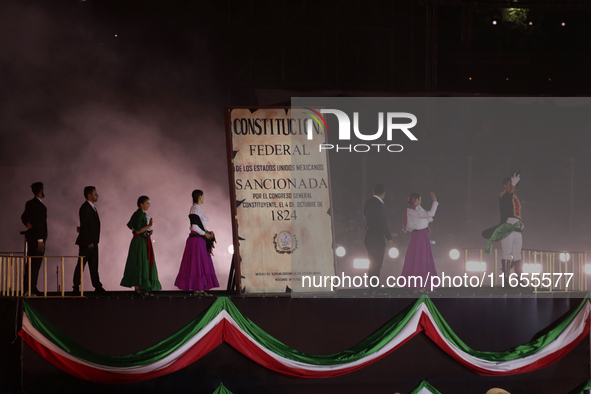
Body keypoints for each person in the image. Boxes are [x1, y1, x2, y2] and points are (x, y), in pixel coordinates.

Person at [174, 190, 219, 295]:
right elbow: (194, 227)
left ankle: (200, 288)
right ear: (199, 197)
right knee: (197, 264)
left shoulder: (197, 209)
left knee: (199, 264)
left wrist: (207, 232)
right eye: (203, 196)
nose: (204, 198)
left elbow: (199, 226)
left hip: (199, 240)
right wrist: (205, 234)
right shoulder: (194, 209)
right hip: (196, 241)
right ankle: (197, 289)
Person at [120, 196, 161, 295]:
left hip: (142, 241)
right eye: (147, 203)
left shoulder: (142, 214)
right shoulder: (138, 214)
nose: (148, 205)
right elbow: (138, 231)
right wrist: (148, 226)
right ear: (141, 204)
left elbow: (139, 229)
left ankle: (141, 286)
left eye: (149, 203)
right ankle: (138, 287)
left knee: (142, 262)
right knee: (138, 262)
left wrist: (148, 231)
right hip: (139, 242)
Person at [400, 192, 439, 288]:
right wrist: (434, 202)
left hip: (414, 236)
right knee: (423, 260)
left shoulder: (409, 211)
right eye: (420, 200)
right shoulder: (417, 210)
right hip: (421, 236)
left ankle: (414, 285)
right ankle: (422, 285)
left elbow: (408, 227)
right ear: (416, 200)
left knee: (414, 259)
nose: (420, 201)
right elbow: (431, 214)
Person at [73, 186, 106, 295]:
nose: (97, 195)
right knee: (81, 265)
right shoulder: (85, 208)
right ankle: (76, 287)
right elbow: (85, 226)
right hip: (87, 243)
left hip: (93, 242)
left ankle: (97, 286)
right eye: (95, 194)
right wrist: (89, 242)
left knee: (93, 266)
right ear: (89, 195)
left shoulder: (91, 207)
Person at [363, 183, 393, 287]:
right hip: (377, 239)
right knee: (377, 264)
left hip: (369, 236)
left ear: (373, 192)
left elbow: (365, 214)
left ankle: (372, 286)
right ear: (384, 193)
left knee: (371, 263)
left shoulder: (368, 202)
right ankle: (375, 287)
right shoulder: (380, 205)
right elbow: (383, 222)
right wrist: (389, 237)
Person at [21, 182, 47, 296]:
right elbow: (40, 224)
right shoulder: (40, 206)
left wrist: (27, 223)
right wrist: (40, 240)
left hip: (30, 238)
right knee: (35, 264)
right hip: (37, 240)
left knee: (29, 264)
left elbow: (23, 216)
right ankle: (32, 288)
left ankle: (27, 288)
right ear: (41, 191)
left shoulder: (29, 203)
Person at [498, 172, 523, 280]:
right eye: (509, 184)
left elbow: (517, 213)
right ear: (505, 186)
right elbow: (508, 195)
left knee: (517, 254)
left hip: (516, 227)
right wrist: (512, 185)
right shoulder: (503, 196)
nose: (511, 187)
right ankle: (506, 280)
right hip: (507, 226)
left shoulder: (515, 197)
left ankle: (519, 279)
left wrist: (521, 222)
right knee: (506, 253)